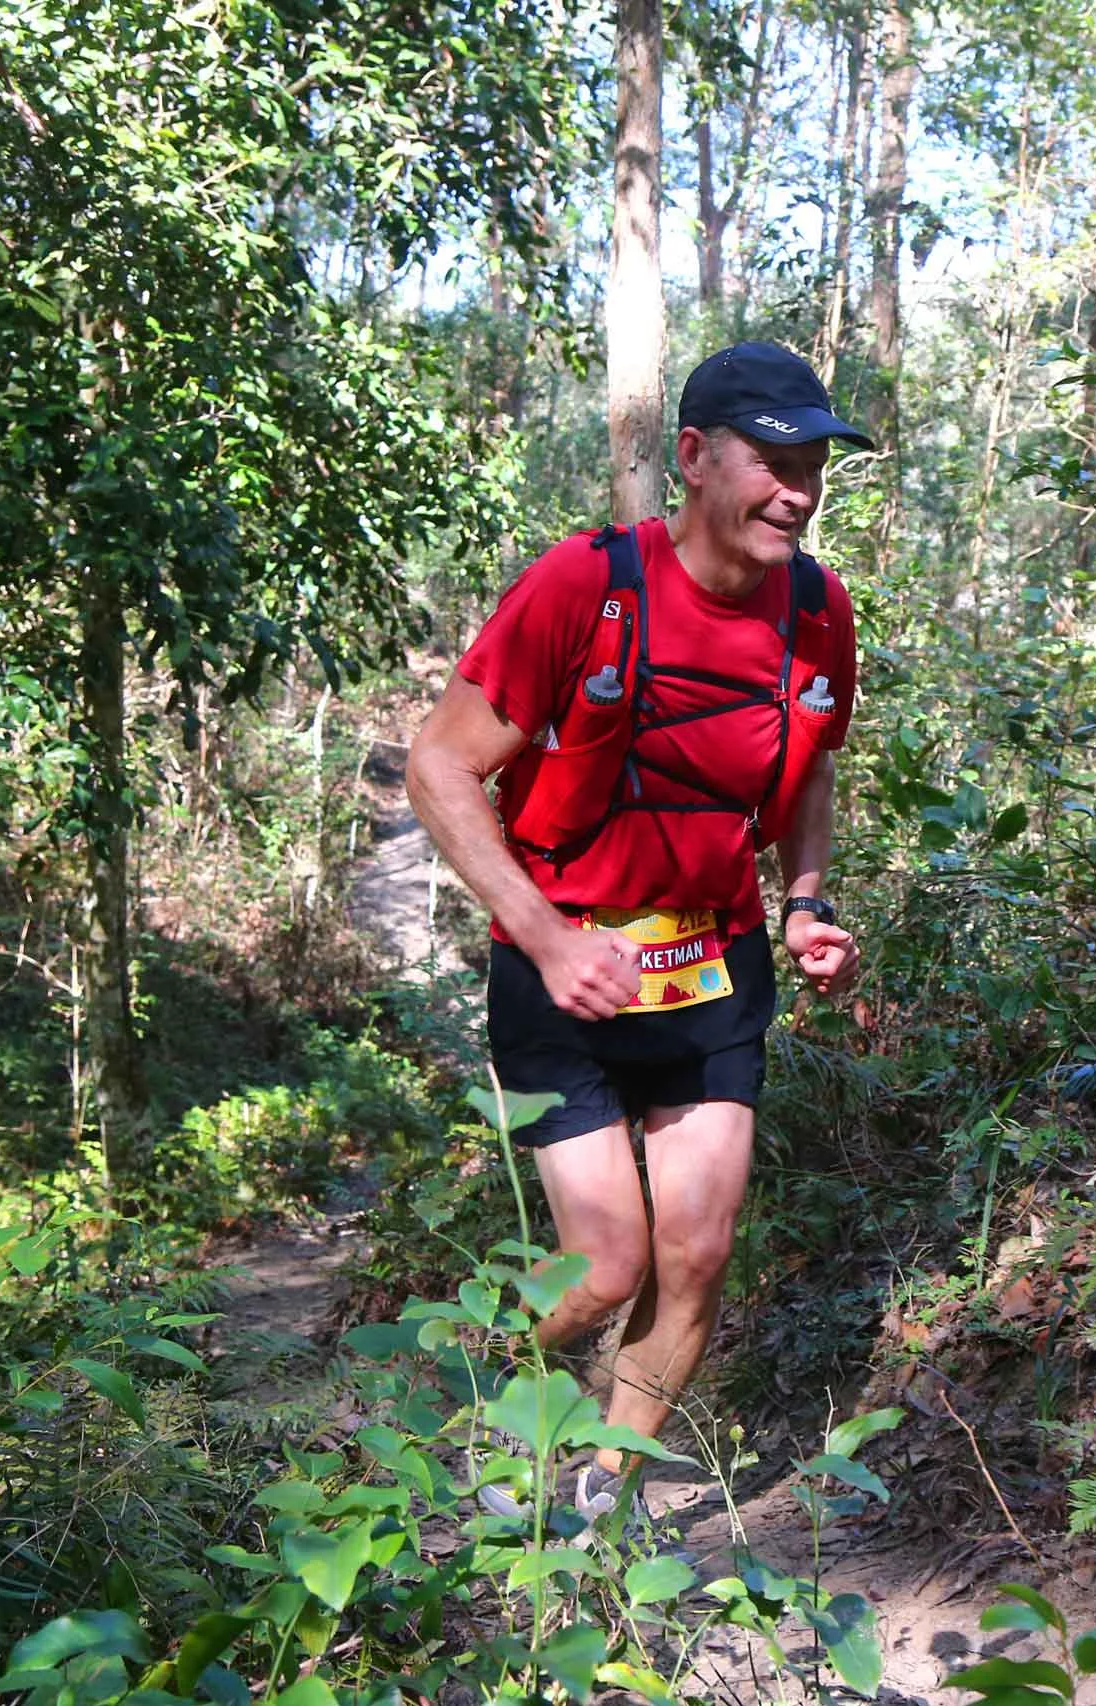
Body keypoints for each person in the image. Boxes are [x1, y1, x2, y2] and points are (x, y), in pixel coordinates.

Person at [407, 341, 869, 1519]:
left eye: (813, 466)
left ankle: (595, 1495)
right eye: (774, 461)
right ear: (696, 458)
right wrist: (551, 940)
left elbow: (808, 761)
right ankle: (459, 1406)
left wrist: (806, 898)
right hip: (565, 965)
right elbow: (440, 767)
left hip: (714, 960)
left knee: (698, 1252)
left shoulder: (817, 610)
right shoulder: (585, 585)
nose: (797, 492)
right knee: (603, 1265)